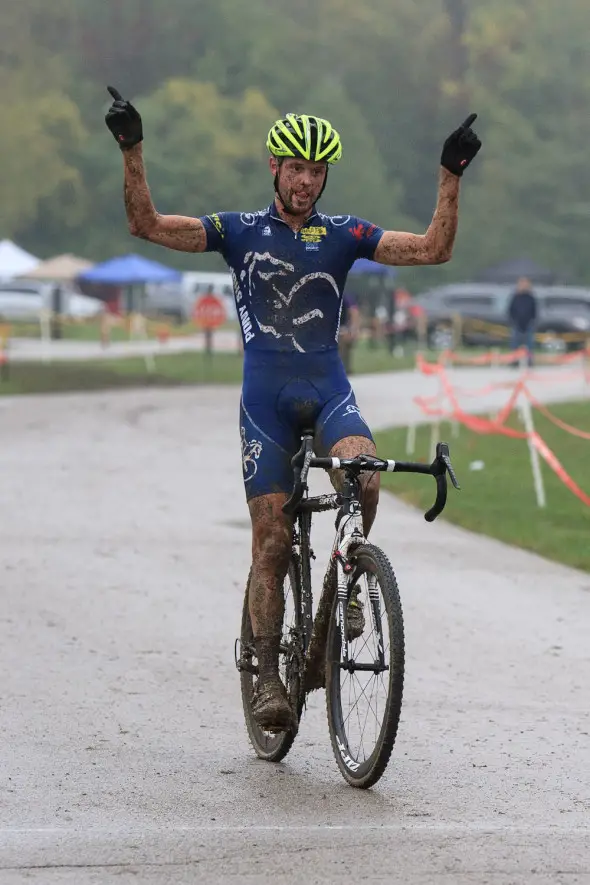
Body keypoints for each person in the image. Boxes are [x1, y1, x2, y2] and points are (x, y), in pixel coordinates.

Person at [105, 88, 482, 732]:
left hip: (329, 388)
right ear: (274, 168)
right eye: (296, 168)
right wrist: (132, 148)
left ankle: (338, 607)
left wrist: (450, 175)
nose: (306, 180)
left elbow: (432, 250)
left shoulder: (342, 235)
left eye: (316, 170)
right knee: (273, 541)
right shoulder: (238, 231)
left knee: (364, 481)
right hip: (266, 402)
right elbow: (147, 224)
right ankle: (265, 675)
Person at [507, 276, 538, 367]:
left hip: (528, 324)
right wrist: (512, 320)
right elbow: (510, 310)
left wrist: (533, 321)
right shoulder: (515, 297)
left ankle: (529, 360)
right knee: (515, 344)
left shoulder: (531, 298)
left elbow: (534, 311)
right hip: (517, 324)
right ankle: (514, 360)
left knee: (529, 344)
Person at [338, 290, 361, 374]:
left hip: (343, 327)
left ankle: (345, 369)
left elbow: (354, 312)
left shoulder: (345, 297)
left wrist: (353, 329)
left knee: (344, 344)